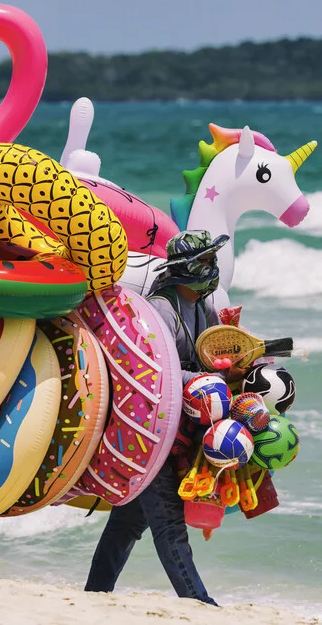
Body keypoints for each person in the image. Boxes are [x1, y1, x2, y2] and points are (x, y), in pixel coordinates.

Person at [84, 230, 243, 605]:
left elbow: (205, 355)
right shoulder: (161, 308)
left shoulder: (200, 305)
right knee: (169, 525)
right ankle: (200, 603)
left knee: (127, 523)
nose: (213, 267)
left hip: (178, 427)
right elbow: (160, 371)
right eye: (206, 261)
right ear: (187, 268)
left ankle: (95, 593)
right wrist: (213, 378)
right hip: (148, 432)